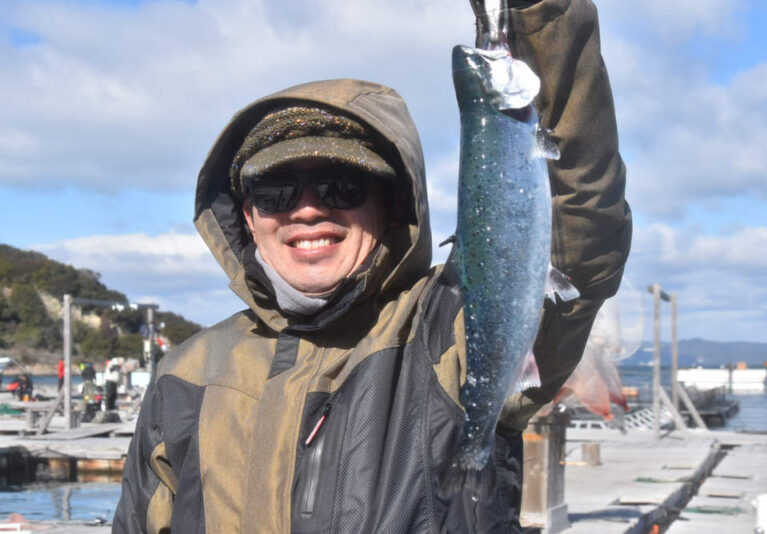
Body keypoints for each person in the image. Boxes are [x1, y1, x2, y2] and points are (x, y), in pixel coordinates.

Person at [114, 0, 631, 532]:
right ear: (248, 214)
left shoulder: (448, 333)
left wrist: (539, 17)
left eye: (343, 185)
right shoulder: (183, 376)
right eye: (276, 191)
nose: (308, 210)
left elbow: (581, 230)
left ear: (391, 205)